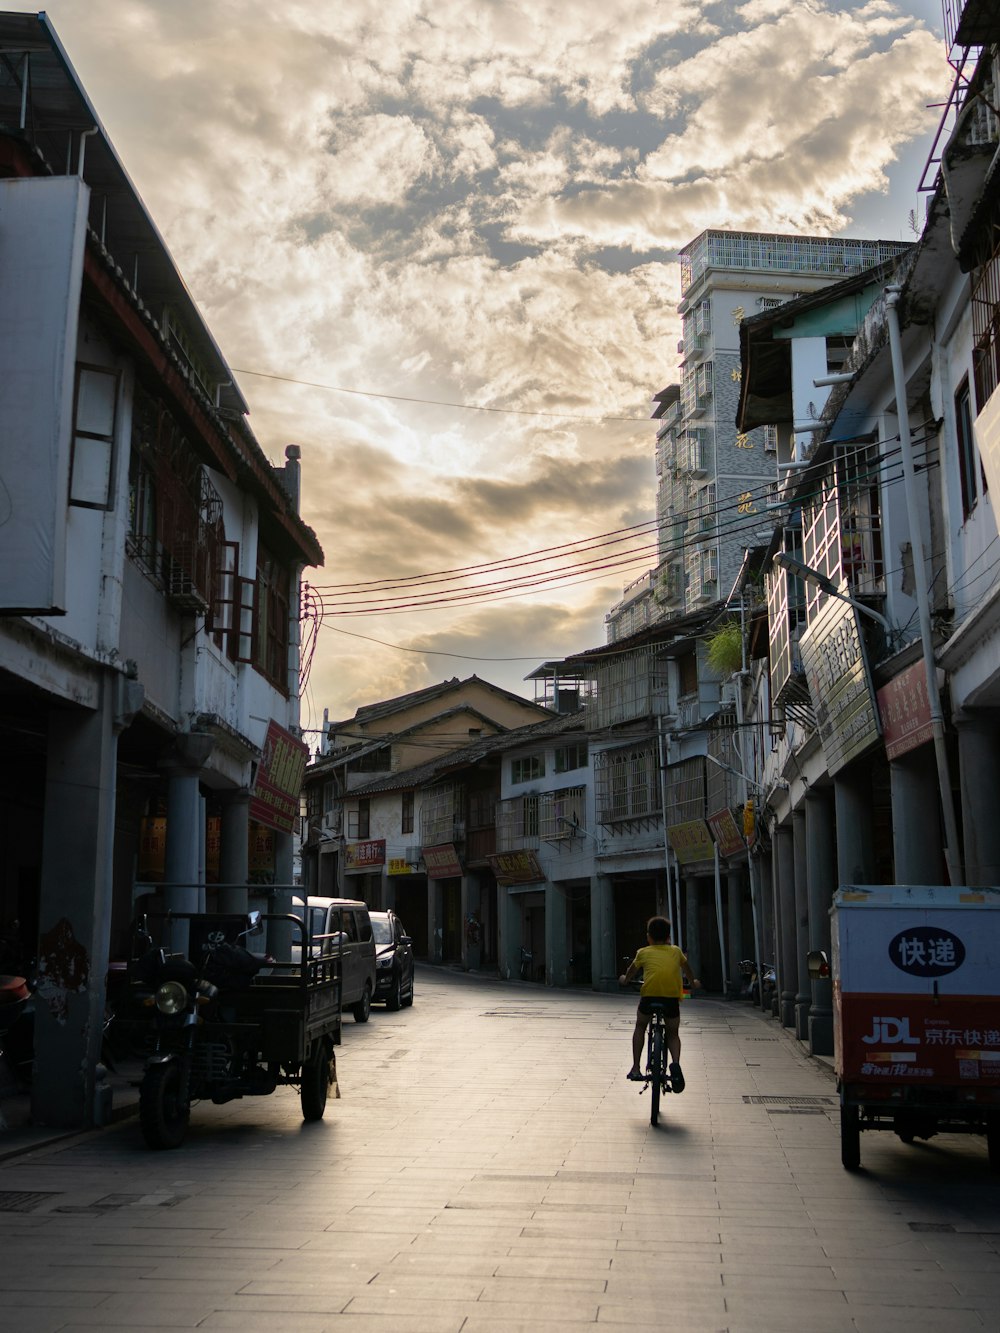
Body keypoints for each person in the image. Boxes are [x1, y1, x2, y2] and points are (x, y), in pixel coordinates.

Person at [619, 915, 699, 1089]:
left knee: (640, 1026)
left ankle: (635, 1067)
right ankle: (675, 1064)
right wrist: (693, 983)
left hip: (649, 997)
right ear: (668, 936)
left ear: (649, 936)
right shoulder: (676, 952)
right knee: (672, 1033)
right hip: (671, 999)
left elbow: (631, 971)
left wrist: (625, 980)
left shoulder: (643, 952)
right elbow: (688, 970)